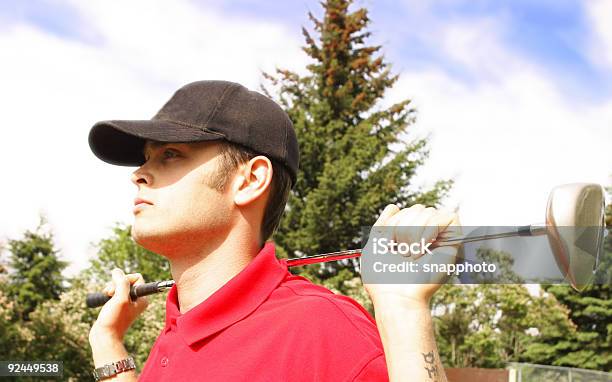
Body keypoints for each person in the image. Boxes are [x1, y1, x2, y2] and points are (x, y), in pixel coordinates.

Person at [87, 80, 460, 381]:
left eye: (170, 154)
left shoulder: (323, 332)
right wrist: (108, 345)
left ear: (250, 180)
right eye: (147, 157)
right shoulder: (178, 328)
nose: (139, 173)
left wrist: (403, 310)